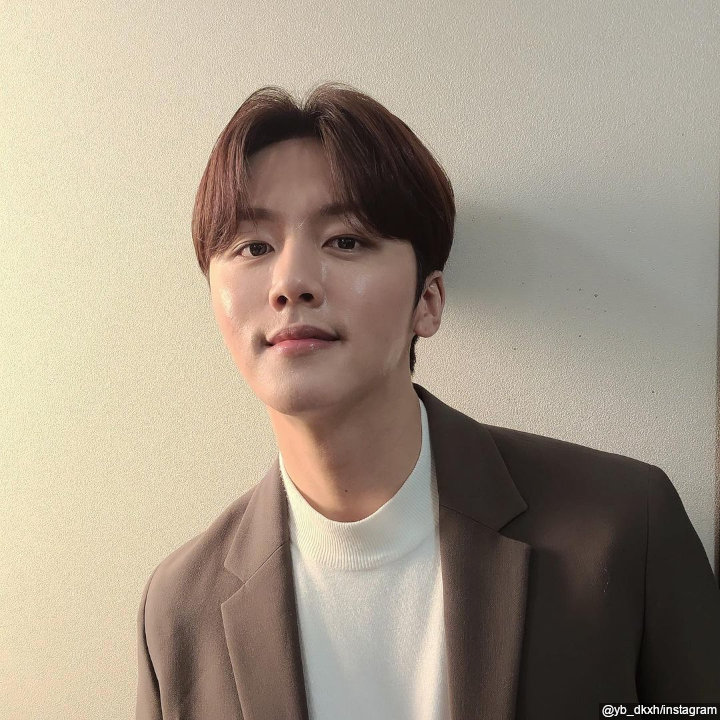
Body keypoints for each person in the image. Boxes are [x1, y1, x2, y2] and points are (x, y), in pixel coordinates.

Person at [136, 82, 720, 720]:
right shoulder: (178, 611)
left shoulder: (622, 527)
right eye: (254, 247)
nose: (291, 283)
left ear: (428, 301)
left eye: (346, 240)